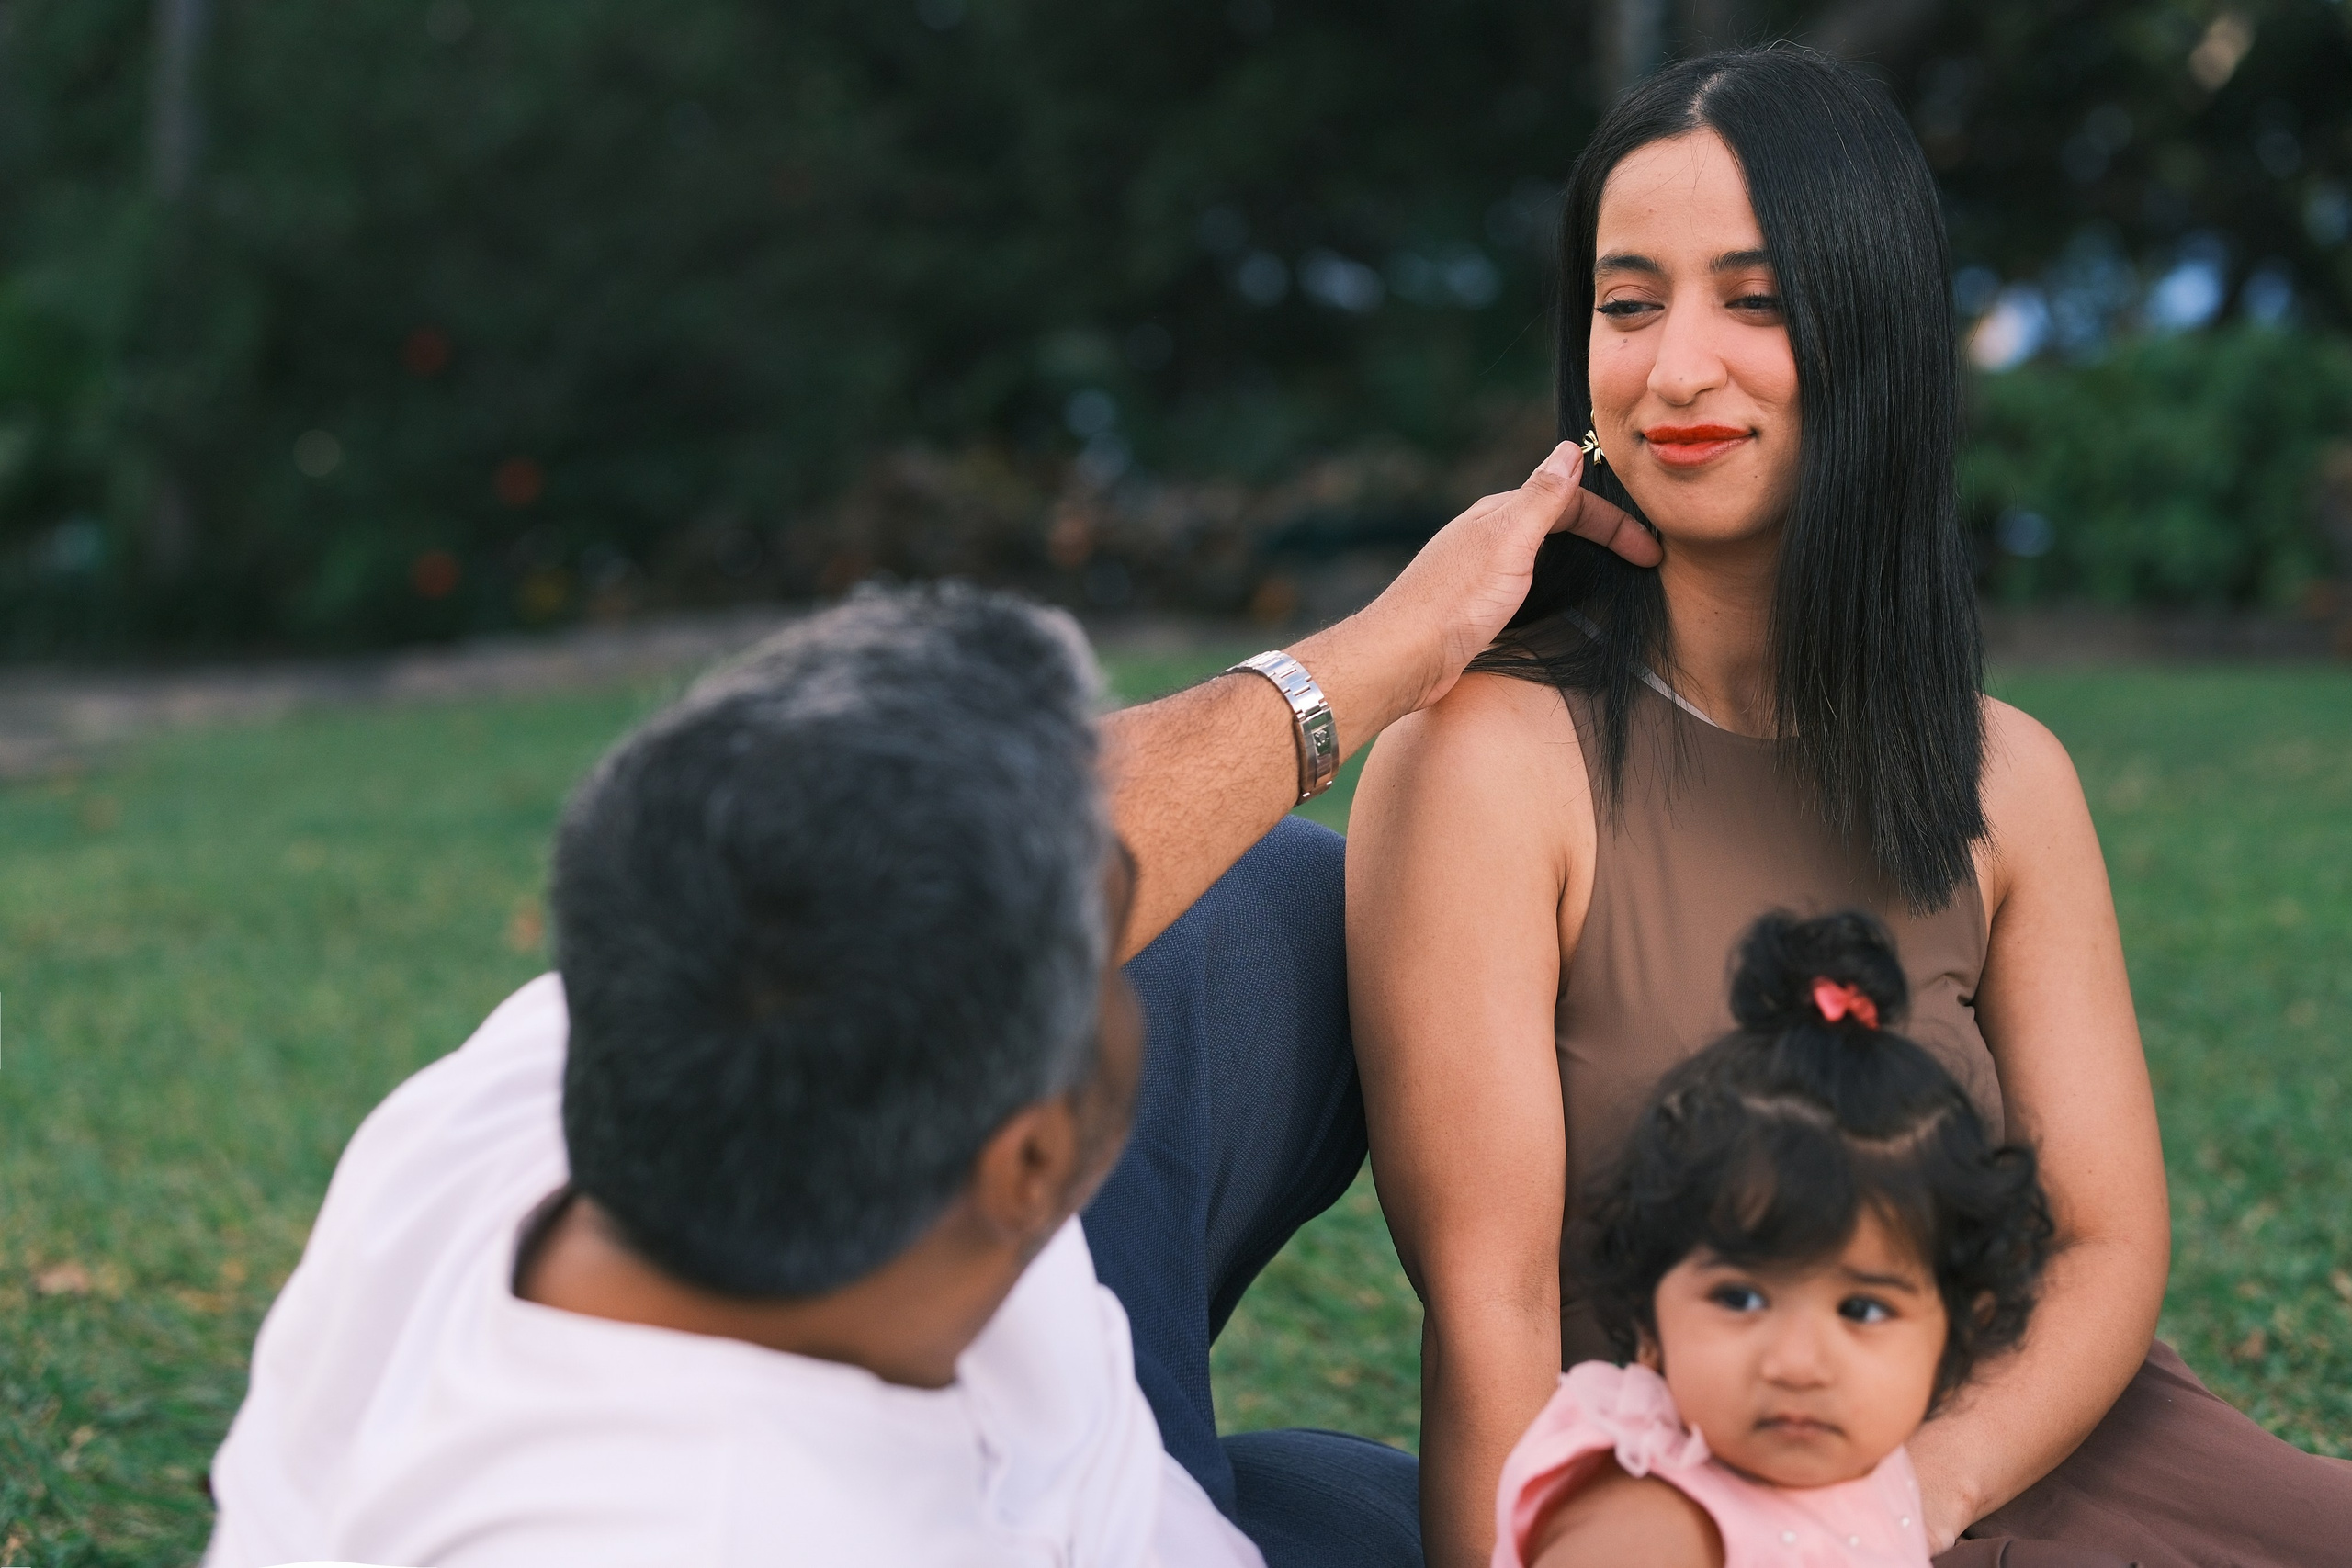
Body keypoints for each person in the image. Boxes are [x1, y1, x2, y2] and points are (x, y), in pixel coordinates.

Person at [199, 443, 1658, 1568]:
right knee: (1376, 1524)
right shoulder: (737, 1519)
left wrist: (1384, 648)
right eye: (1092, 965)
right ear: (1031, 1160)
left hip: (994, 1398)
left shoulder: (569, 1063)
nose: (1121, 914)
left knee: (1255, 894)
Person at [1345, 43, 2352, 1568]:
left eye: (1754, 300)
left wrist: (1911, 1500)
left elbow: (2107, 1243)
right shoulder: (1488, 760)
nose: (1677, 367)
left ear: (1871, 329)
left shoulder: (2005, 777)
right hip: (1693, 1503)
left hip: (2024, 1448)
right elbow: (1486, 1319)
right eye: (1628, 303)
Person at [1494, 911, 2053, 1568]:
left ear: (1954, 1339)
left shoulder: (1864, 1466)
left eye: (1863, 1309)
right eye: (1740, 1297)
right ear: (1649, 1320)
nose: (1797, 1362)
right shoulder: (1648, 1525)